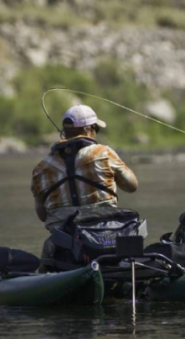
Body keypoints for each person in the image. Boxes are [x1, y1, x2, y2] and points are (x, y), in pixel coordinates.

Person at [31, 105, 139, 264]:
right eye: (97, 129)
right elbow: (132, 186)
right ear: (88, 129)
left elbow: (42, 215)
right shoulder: (104, 153)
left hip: (63, 245)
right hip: (107, 238)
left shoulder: (40, 168)